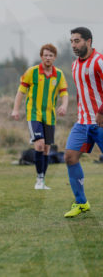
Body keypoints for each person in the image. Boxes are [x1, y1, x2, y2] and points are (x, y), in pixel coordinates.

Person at [11, 44, 69, 190]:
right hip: (34, 114)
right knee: (39, 144)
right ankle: (39, 180)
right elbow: (21, 92)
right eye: (45, 55)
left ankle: (42, 181)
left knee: (47, 149)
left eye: (50, 55)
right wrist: (15, 109)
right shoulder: (32, 72)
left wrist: (64, 105)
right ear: (41, 56)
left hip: (50, 116)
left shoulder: (59, 74)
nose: (48, 58)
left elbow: (64, 93)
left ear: (54, 57)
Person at [64, 27, 103, 217]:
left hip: (101, 122)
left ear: (88, 41)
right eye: (71, 41)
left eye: (77, 41)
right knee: (70, 157)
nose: (73, 45)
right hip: (82, 122)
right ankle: (81, 203)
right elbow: (82, 92)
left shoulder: (99, 62)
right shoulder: (74, 66)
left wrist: (101, 112)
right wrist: (81, 112)